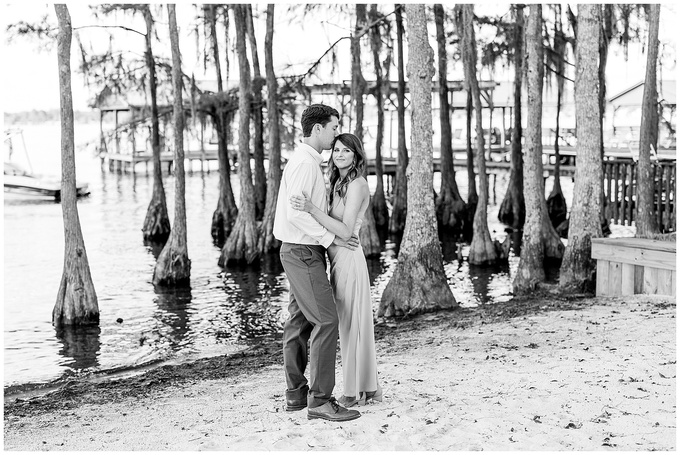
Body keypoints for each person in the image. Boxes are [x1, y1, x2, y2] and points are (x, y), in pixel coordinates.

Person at [273, 104, 361, 422]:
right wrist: (329, 240)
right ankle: (320, 400)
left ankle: (296, 395)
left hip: (300, 251)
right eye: (334, 127)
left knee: (298, 323)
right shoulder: (305, 164)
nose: (337, 132)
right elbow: (296, 213)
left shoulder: (308, 161)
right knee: (327, 321)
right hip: (302, 251)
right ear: (318, 129)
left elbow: (302, 209)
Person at [290, 132, 383, 408]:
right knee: (347, 325)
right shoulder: (337, 182)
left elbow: (344, 229)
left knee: (353, 325)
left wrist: (309, 208)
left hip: (350, 260)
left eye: (346, 151)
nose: (340, 155)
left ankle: (354, 392)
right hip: (337, 260)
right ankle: (368, 387)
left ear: (356, 155)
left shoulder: (357, 184)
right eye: (337, 150)